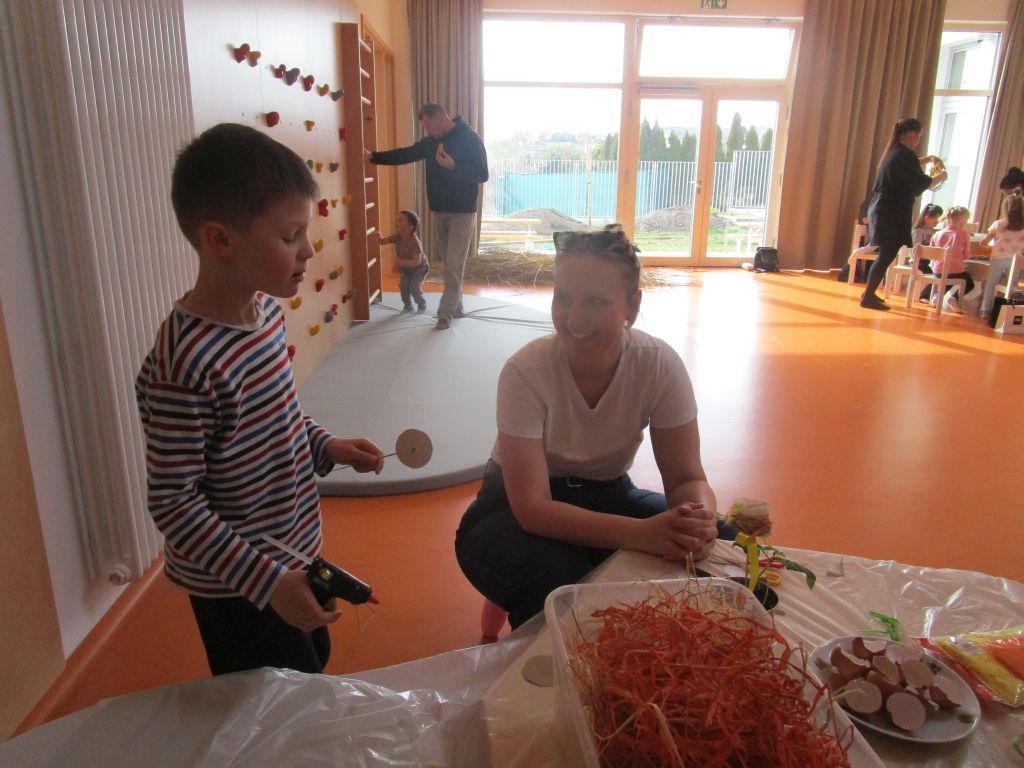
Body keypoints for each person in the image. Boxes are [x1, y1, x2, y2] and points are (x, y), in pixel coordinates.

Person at [136, 123, 385, 676]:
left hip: (294, 549)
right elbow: (173, 501)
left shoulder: (266, 314)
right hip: (239, 586)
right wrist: (267, 583)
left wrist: (326, 446)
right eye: (291, 236)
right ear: (221, 241)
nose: (308, 250)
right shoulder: (186, 363)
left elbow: (277, 418)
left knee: (313, 664)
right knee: (272, 699)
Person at [454, 224, 737, 629]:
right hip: (507, 512)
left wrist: (699, 518)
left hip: (608, 494)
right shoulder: (525, 371)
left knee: (723, 540)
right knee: (557, 579)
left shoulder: (658, 364)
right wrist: (645, 534)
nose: (573, 318)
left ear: (632, 305)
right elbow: (533, 510)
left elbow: (687, 478)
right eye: (563, 298)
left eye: (595, 301)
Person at [369, 103, 489, 330]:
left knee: (453, 265)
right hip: (439, 210)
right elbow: (405, 154)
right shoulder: (431, 142)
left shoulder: (469, 138)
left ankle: (445, 314)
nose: (427, 131)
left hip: (462, 212)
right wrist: (373, 157)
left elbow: (482, 174)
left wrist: (453, 166)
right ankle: (457, 308)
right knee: (449, 265)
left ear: (440, 118)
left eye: (428, 126)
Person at [861, 118, 947, 311]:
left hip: (883, 207)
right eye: (919, 136)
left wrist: (928, 159)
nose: (918, 140)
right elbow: (921, 183)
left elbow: (910, 166)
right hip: (890, 210)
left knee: (886, 252)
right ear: (912, 135)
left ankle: (869, 293)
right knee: (887, 253)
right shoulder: (904, 155)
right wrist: (941, 176)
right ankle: (867, 295)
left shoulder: (895, 152)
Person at [978, 192, 1024, 317]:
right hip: (1016, 261)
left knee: (991, 284)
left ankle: (985, 311)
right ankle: (1008, 312)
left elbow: (984, 242)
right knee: (1011, 286)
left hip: (998, 258)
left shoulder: (998, 224)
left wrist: (993, 247)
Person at [378, 209, 429, 313]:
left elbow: (417, 262)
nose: (396, 223)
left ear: (410, 227)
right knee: (403, 286)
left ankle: (421, 305)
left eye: (400, 220)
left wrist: (403, 262)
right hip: (407, 269)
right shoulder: (397, 237)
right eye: (396, 220)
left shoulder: (415, 243)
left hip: (419, 268)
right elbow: (382, 242)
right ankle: (408, 306)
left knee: (414, 287)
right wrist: (379, 238)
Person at [929, 205, 974, 314]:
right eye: (966, 220)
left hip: (938, 271)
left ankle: (937, 297)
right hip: (955, 271)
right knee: (969, 282)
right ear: (961, 220)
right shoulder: (964, 234)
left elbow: (932, 254)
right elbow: (967, 255)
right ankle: (953, 298)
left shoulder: (937, 234)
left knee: (946, 278)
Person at [911, 203, 943, 302]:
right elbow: (916, 249)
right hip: (918, 262)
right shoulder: (918, 231)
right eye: (936, 218)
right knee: (935, 276)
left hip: (928, 261)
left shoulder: (934, 232)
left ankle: (927, 296)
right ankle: (923, 296)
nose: (937, 221)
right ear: (927, 217)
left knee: (939, 275)